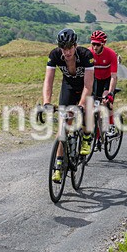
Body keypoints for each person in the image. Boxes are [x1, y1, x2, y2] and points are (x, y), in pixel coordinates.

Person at [39, 28, 95, 182]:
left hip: (85, 85)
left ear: (75, 45)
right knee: (63, 127)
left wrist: (82, 104)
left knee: (87, 110)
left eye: (70, 47)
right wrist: (46, 102)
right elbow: (48, 81)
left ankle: (86, 137)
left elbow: (88, 86)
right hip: (69, 86)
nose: (67, 51)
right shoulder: (55, 55)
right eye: (64, 48)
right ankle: (58, 166)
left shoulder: (86, 56)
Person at [88, 30, 118, 136]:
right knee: (94, 108)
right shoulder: (89, 53)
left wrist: (110, 93)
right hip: (96, 80)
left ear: (103, 44)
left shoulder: (111, 54)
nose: (95, 47)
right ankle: (97, 136)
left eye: (97, 44)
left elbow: (114, 76)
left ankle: (111, 126)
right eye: (93, 44)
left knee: (106, 101)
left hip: (107, 80)